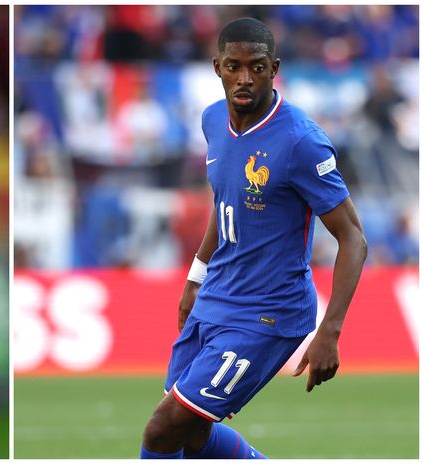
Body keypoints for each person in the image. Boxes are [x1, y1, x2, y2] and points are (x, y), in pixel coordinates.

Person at [140, 18, 368, 459]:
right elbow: (225, 203)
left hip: (266, 315)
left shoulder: (301, 142)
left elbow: (353, 237)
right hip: (216, 297)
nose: (245, 78)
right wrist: (195, 278)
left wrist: (330, 331)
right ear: (217, 67)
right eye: (234, 66)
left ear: (274, 67)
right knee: (191, 435)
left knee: (161, 430)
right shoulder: (212, 122)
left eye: (258, 67)